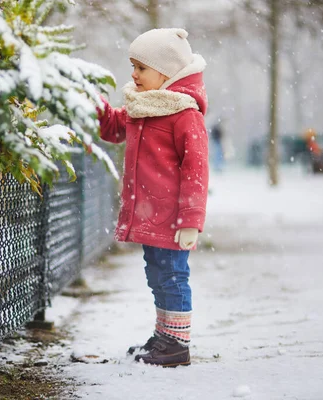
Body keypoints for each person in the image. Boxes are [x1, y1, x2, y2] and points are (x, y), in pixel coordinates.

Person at [96, 28, 209, 367]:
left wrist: (191, 219)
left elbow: (196, 169)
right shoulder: (141, 106)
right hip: (150, 215)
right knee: (156, 273)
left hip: (173, 219)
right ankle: (164, 336)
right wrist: (97, 106)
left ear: (166, 72)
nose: (133, 74)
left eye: (141, 67)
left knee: (173, 276)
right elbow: (115, 128)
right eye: (133, 66)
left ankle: (177, 344)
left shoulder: (184, 114)